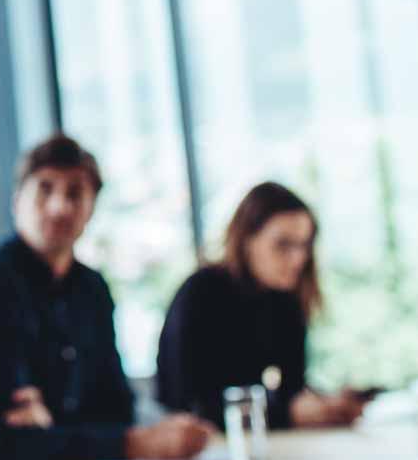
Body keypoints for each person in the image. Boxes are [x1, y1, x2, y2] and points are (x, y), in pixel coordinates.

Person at [0, 135, 211, 460]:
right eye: (45, 189)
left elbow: (116, 408)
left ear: (92, 208)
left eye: (75, 193)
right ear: (16, 201)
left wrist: (52, 423)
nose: (59, 207)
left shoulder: (91, 289)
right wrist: (132, 443)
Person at [155, 182, 368, 430]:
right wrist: (288, 412)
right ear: (247, 240)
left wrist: (323, 406)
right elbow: (188, 403)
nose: (299, 259)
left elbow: (292, 387)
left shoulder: (285, 299)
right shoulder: (200, 292)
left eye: (304, 245)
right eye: (283, 244)